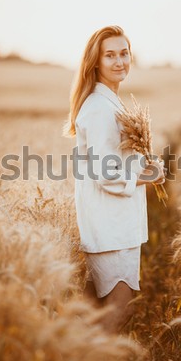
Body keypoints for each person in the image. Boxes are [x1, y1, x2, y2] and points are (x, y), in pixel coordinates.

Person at [63, 25, 166, 333]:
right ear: (96, 62)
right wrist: (147, 176)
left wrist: (145, 166)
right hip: (110, 225)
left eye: (124, 53)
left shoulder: (107, 102)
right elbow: (104, 173)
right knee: (121, 304)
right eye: (110, 55)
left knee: (93, 308)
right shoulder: (98, 108)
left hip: (111, 223)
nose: (120, 61)